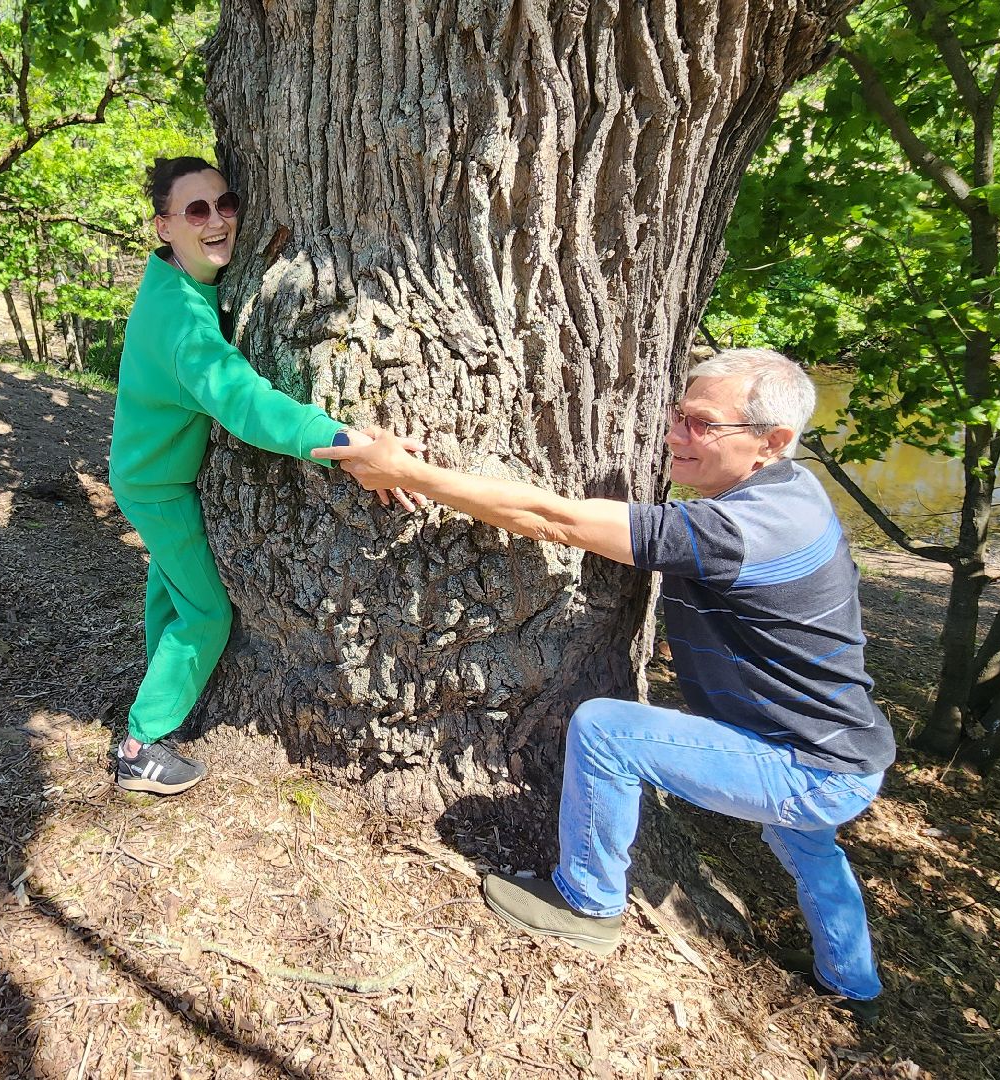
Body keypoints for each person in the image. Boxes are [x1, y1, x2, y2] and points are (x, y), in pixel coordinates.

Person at [313, 348, 896, 1022]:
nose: (676, 437)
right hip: (844, 752)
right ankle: (854, 987)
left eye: (703, 425)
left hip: (810, 765)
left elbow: (554, 520)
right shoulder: (788, 492)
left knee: (608, 730)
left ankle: (588, 903)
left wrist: (410, 474)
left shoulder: (746, 527)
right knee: (805, 843)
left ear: (774, 442)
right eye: (678, 416)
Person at [108, 156, 411, 796]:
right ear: (163, 226)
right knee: (207, 614)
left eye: (226, 203)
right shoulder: (182, 325)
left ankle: (157, 694)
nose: (218, 220)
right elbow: (245, 402)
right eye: (196, 211)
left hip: (147, 473)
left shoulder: (173, 283)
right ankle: (138, 745)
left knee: (170, 592)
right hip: (156, 485)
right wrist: (341, 440)